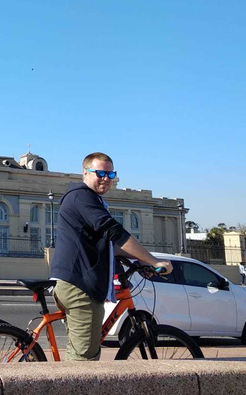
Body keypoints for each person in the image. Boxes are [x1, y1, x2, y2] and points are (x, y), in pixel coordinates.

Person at [50, 152, 172, 361]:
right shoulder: (82, 197)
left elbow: (109, 245)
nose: (106, 178)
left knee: (80, 350)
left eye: (110, 173)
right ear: (85, 172)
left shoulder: (87, 198)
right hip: (80, 287)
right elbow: (115, 233)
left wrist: (141, 259)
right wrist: (154, 260)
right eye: (100, 173)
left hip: (75, 283)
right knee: (84, 360)